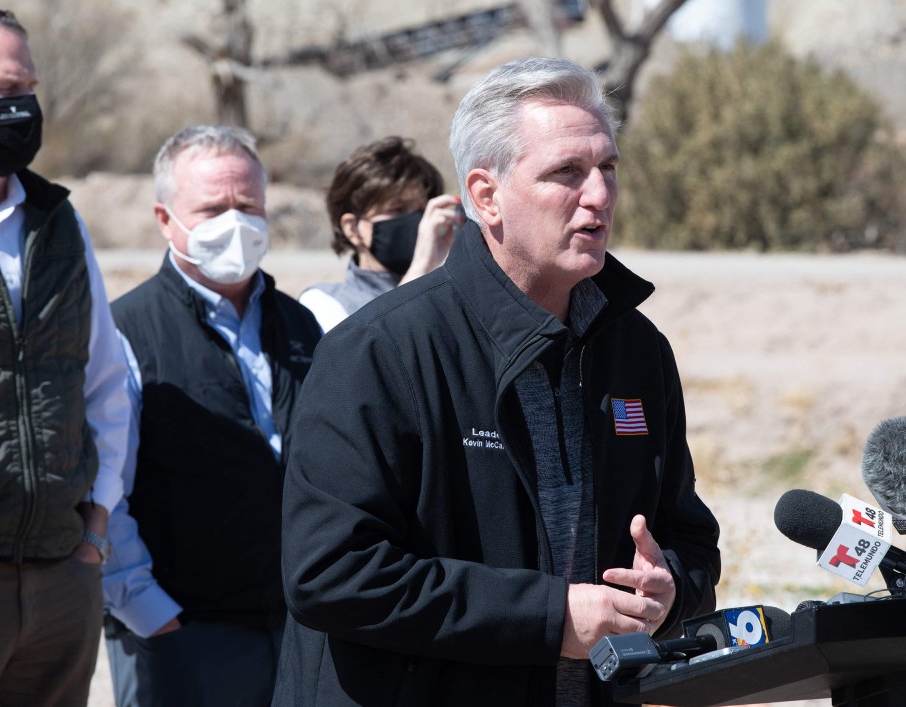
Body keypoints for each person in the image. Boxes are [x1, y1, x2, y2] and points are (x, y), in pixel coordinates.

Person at [272, 57, 721, 706]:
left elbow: (689, 534)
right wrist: (549, 618)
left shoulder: (637, 351)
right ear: (485, 196)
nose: (598, 195)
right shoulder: (377, 353)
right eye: (567, 172)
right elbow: (331, 573)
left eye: (608, 169)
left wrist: (671, 588)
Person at [102, 125, 323, 706]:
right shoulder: (124, 331)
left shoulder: (301, 327)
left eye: (248, 205)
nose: (236, 222)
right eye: (212, 208)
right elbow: (102, 489)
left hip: (295, 628)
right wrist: (148, 611)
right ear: (165, 219)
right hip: (183, 634)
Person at [0, 7, 130, 706]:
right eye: (7, 88)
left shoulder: (59, 222)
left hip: (60, 578)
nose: (25, 109)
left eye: (30, 88)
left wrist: (95, 529)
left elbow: (105, 380)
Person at [298, 136, 463, 332]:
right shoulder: (325, 303)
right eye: (398, 209)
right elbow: (374, 352)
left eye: (422, 210)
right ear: (352, 228)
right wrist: (420, 267)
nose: (418, 222)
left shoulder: (448, 296)